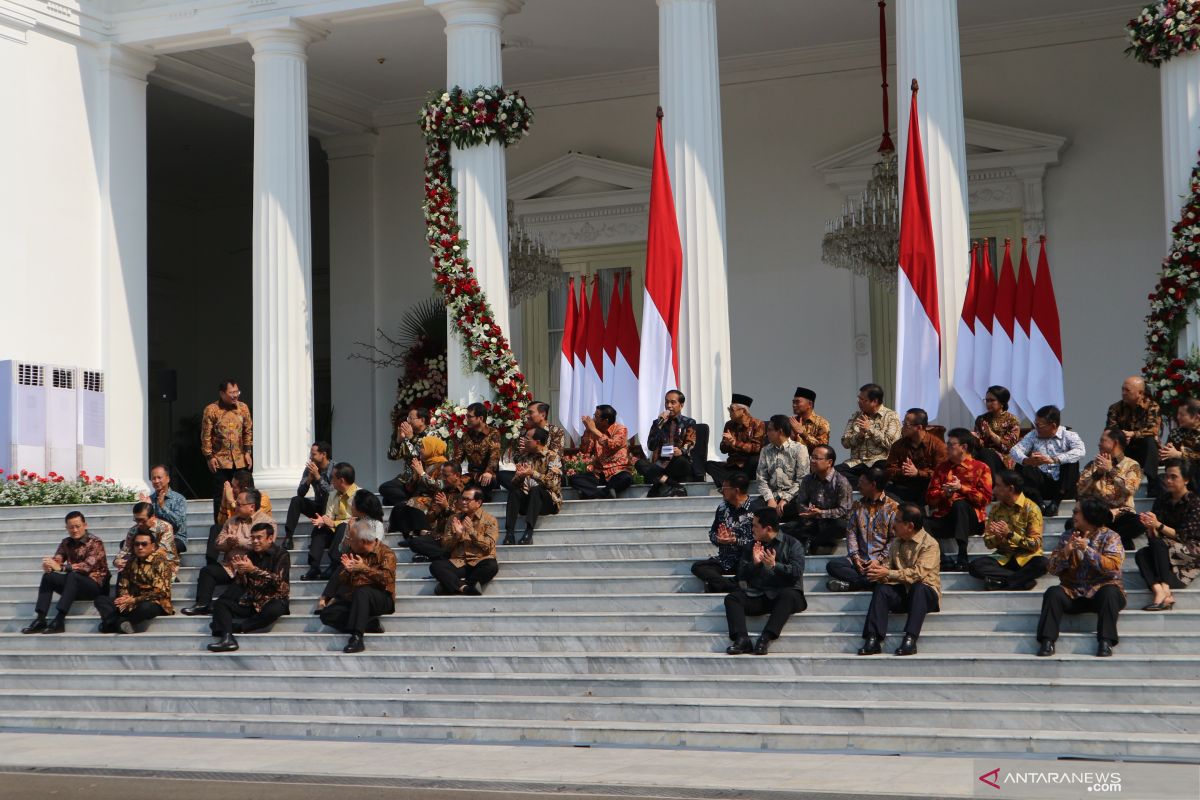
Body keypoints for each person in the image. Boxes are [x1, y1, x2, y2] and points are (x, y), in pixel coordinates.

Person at [1036, 498, 1125, 657]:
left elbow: (1113, 567)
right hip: (1074, 593)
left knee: (1110, 592)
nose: (1073, 515)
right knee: (1053, 593)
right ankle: (1047, 641)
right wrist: (1065, 552)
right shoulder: (1067, 536)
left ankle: (1106, 641)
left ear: (1089, 515)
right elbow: (1051, 569)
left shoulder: (1111, 537)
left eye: (1076, 512)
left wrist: (1088, 550)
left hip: (1100, 593)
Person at [856, 503, 940, 657]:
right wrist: (877, 571)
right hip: (904, 593)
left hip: (925, 595)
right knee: (881, 589)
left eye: (897, 521)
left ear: (909, 526)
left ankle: (910, 638)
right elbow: (888, 566)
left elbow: (918, 574)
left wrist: (887, 572)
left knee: (919, 587)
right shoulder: (896, 542)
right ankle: (873, 638)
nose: (893, 524)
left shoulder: (930, 544)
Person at [723, 507, 807, 656]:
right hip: (760, 594)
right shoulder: (752, 546)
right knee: (732, 599)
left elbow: (796, 572)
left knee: (788, 595)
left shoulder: (793, 544)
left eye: (755, 526)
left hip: (785, 595)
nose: (752, 529)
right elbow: (741, 574)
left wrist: (775, 566)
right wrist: (754, 564)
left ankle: (765, 638)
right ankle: (742, 639)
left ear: (767, 528)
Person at [181, 489, 274, 616]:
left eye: (239, 504)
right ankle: (202, 604)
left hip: (250, 567)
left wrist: (239, 541)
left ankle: (221, 606)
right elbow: (218, 543)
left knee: (241, 582)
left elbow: (265, 545)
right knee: (207, 571)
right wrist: (228, 543)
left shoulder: (266, 522)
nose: (235, 506)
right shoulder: (231, 520)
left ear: (251, 506)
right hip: (230, 565)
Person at [207, 521, 290, 652]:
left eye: (259, 538)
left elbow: (279, 583)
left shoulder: (281, 554)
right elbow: (244, 584)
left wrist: (252, 569)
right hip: (252, 600)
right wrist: (241, 573)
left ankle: (237, 628)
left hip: (272, 599)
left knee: (275, 609)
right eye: (253, 538)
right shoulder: (250, 554)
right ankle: (228, 638)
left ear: (270, 538)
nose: (255, 541)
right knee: (220, 604)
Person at [317, 518, 397, 653]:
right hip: (356, 599)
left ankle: (357, 637)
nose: (349, 542)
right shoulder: (353, 553)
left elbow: (386, 579)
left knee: (363, 591)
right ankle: (369, 623)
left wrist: (364, 568)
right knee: (327, 614)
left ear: (363, 541)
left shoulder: (386, 553)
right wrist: (347, 572)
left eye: (352, 539)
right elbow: (342, 581)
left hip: (381, 598)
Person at [21, 511, 109, 634]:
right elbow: (58, 559)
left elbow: (86, 566)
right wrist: (49, 565)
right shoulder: (66, 542)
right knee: (48, 577)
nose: (74, 530)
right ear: (66, 528)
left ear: (85, 525)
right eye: (71, 527)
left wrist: (61, 568)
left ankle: (59, 619)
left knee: (73, 575)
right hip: (73, 586)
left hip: (95, 586)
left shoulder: (95, 542)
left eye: (77, 526)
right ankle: (41, 619)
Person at [925, 428, 993, 572]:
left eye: (951, 444)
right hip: (946, 518)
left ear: (964, 447)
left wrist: (961, 488)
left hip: (972, 520)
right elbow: (930, 498)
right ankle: (942, 557)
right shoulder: (942, 468)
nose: (946, 448)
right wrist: (945, 493)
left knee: (960, 504)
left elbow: (985, 499)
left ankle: (962, 554)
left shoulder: (981, 468)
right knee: (919, 520)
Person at [968, 470, 1047, 591]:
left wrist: (1009, 534)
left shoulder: (1031, 508)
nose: (994, 490)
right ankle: (1022, 581)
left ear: (1010, 488)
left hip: (1026, 558)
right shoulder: (996, 509)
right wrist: (998, 538)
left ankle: (1002, 583)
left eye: (998, 486)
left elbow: (1035, 544)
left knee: (1043, 563)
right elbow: (988, 542)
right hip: (1004, 558)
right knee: (975, 566)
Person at [1137, 459, 1200, 610]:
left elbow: (1184, 536)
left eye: (1173, 477)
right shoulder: (1162, 500)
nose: (1168, 480)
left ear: (1186, 480)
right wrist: (1150, 527)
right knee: (1142, 554)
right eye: (1166, 476)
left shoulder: (1195, 502)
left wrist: (1158, 525)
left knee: (1159, 544)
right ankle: (1161, 591)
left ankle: (1164, 588)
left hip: (1191, 551)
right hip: (1164, 551)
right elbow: (1155, 536)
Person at [826, 467, 898, 592]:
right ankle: (868, 582)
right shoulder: (857, 505)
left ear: (873, 485)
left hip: (883, 561)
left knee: (888, 572)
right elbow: (851, 533)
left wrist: (879, 560)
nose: (858, 485)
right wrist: (855, 557)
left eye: (861, 482)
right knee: (833, 565)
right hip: (861, 559)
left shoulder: (893, 508)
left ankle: (854, 585)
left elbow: (894, 539)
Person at [1009, 405, 1085, 517]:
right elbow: (1015, 450)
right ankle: (1040, 503)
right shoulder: (1033, 435)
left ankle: (1056, 503)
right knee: (1022, 464)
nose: (1036, 427)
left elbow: (1080, 451)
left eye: (1039, 425)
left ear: (1053, 425)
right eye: (1035, 423)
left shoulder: (1068, 435)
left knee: (1072, 461)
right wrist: (1028, 460)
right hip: (1040, 485)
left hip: (1062, 486)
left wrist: (1054, 459)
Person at [1075, 428, 1145, 549]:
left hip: (1120, 515)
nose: (1099, 444)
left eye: (1103, 440)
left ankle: (1106, 540)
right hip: (1097, 515)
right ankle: (1118, 541)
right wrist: (1097, 474)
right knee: (1071, 524)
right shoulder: (1092, 465)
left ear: (1115, 443)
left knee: (1138, 523)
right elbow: (1080, 490)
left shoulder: (1132, 465)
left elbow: (1130, 489)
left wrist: (1111, 470)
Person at [94, 529, 174, 634]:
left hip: (155, 602)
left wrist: (134, 600)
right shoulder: (131, 561)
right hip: (132, 602)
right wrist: (124, 598)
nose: (140, 547)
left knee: (147, 607)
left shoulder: (160, 562)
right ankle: (120, 624)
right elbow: (123, 585)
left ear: (153, 546)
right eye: (137, 544)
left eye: (144, 544)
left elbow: (159, 592)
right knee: (101, 600)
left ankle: (112, 624)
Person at [691, 474, 755, 593]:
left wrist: (736, 540)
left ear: (736, 491)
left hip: (747, 559)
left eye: (724, 489)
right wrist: (718, 539)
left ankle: (717, 586)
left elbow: (760, 541)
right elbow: (712, 533)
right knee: (698, 567)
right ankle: (731, 587)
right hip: (725, 559)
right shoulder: (722, 508)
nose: (721, 492)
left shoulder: (755, 509)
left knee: (754, 569)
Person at [430, 487, 500, 595]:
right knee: (436, 566)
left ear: (478, 502)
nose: (463, 502)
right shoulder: (453, 518)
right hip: (459, 562)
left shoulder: (490, 520)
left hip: (479, 561)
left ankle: (453, 586)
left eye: (467, 499)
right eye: (462, 499)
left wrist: (472, 532)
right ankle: (466, 588)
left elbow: (489, 546)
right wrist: (457, 536)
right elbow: (445, 547)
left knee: (492, 566)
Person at [200, 378, 253, 522]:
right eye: (232, 393)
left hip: (240, 460)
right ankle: (219, 527)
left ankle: (248, 522)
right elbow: (206, 435)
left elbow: (247, 431)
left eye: (237, 392)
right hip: (220, 461)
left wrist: (248, 452)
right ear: (222, 394)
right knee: (221, 494)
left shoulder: (243, 408)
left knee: (246, 492)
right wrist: (209, 457)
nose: (235, 395)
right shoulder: (212, 409)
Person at [387, 419, 450, 538]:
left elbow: (440, 486)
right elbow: (410, 487)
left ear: (432, 448)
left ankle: (423, 532)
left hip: (435, 499)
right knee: (399, 507)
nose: (420, 450)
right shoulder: (424, 464)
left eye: (423, 447)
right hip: (420, 497)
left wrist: (422, 474)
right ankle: (407, 535)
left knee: (413, 503)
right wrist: (415, 475)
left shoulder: (444, 466)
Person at [790, 444, 853, 554]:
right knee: (785, 529)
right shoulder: (808, 479)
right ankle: (810, 540)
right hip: (813, 521)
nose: (813, 461)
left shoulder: (841, 482)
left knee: (840, 526)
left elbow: (844, 511)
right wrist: (808, 511)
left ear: (829, 462)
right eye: (812, 457)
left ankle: (812, 542)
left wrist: (821, 513)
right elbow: (801, 501)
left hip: (832, 522)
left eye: (817, 458)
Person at [504, 427, 562, 545]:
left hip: (548, 502)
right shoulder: (525, 456)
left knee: (536, 490)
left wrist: (532, 473)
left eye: (527, 439)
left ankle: (528, 532)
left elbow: (552, 484)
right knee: (514, 492)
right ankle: (510, 533)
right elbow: (514, 484)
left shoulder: (552, 457)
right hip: (529, 500)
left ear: (538, 442)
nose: (524, 441)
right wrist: (519, 476)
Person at [1106, 376, 1161, 497]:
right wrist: (1122, 435)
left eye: (1127, 390)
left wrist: (1133, 434)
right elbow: (1110, 429)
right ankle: (1113, 483)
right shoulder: (1115, 408)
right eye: (1122, 389)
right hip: (1125, 447)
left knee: (1150, 440)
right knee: (1111, 442)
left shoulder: (1152, 406)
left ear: (1140, 393)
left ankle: (1152, 482)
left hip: (1143, 448)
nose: (1123, 393)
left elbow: (1152, 429)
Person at [303, 462, 359, 581]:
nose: (331, 481)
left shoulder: (359, 495)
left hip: (351, 532)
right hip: (334, 530)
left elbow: (356, 519)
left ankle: (334, 564)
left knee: (344, 526)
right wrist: (322, 520)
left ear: (341, 480)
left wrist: (334, 523)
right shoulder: (333, 494)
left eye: (333, 478)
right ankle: (314, 566)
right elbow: (329, 515)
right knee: (319, 528)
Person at [635, 389, 697, 495]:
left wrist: (681, 451)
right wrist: (659, 426)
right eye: (667, 402)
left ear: (681, 405)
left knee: (680, 461)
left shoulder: (689, 422)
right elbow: (651, 445)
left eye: (673, 402)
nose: (669, 406)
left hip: (678, 461)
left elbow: (690, 442)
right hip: (661, 463)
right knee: (639, 463)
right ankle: (673, 484)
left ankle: (658, 484)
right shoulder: (657, 423)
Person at [836, 383, 901, 481]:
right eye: (859, 398)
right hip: (856, 463)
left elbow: (893, 444)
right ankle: (863, 485)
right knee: (834, 473)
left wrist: (870, 430)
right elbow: (845, 442)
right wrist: (859, 435)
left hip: (878, 462)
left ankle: (866, 485)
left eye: (863, 400)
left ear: (874, 401)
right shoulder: (856, 416)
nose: (859, 402)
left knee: (880, 472)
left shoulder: (891, 416)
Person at [379, 406, 442, 507]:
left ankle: (409, 505)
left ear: (422, 420)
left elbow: (424, 454)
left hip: (424, 478)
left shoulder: (433, 434)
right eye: (407, 418)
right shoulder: (407, 434)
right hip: (406, 479)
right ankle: (407, 504)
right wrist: (398, 441)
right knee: (385, 491)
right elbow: (392, 456)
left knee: (388, 498)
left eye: (410, 419)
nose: (407, 421)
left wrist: (412, 438)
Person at [883, 408, 947, 504]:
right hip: (903, 486)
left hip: (926, 488)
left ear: (919, 427)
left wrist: (917, 473)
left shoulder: (938, 446)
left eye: (906, 424)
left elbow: (941, 474)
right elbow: (889, 469)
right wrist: (902, 471)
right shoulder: (898, 445)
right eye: (903, 423)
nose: (902, 427)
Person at [207, 470, 272, 564]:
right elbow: (221, 521)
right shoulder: (232, 496)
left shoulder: (262, 498)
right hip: (234, 531)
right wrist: (224, 500)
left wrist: (232, 502)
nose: (232, 490)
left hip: (252, 532)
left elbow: (250, 516)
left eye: (234, 487)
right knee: (216, 528)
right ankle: (210, 563)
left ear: (244, 489)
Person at [569, 404, 634, 499]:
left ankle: (594, 494)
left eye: (596, 416)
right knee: (574, 479)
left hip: (617, 472)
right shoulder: (592, 430)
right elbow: (585, 451)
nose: (593, 419)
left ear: (605, 421)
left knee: (626, 478)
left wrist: (594, 430)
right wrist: (587, 431)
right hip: (599, 474)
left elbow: (613, 445)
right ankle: (603, 494)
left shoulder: (620, 429)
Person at [409, 463, 469, 563]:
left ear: (457, 475)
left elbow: (463, 517)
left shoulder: (465, 494)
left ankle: (435, 555)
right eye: (442, 475)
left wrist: (446, 507)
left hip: (455, 537)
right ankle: (440, 555)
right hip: (439, 536)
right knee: (414, 543)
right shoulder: (441, 492)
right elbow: (429, 519)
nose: (443, 479)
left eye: (446, 476)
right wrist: (436, 512)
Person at [500, 401, 566, 492]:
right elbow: (516, 458)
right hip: (525, 474)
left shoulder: (556, 431)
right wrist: (523, 452)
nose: (527, 416)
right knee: (502, 475)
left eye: (530, 413)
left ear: (542, 415)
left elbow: (557, 455)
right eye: (527, 413)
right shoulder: (524, 432)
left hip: (547, 474)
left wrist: (536, 448)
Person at [755, 415, 809, 521]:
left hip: (792, 496)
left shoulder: (799, 449)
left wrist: (785, 499)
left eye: (770, 430)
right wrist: (770, 499)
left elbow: (802, 479)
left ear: (780, 431)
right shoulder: (765, 450)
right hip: (773, 495)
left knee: (794, 508)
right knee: (753, 507)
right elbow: (761, 478)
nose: (767, 433)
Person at [705, 394, 765, 489]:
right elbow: (723, 449)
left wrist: (735, 443)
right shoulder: (729, 425)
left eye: (732, 410)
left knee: (755, 460)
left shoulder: (757, 424)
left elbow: (756, 448)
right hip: (732, 464)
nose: (729, 412)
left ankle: (729, 483)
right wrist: (727, 443)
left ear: (743, 411)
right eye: (729, 409)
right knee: (709, 464)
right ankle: (728, 485)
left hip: (747, 464)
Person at [284, 441, 333, 551]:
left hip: (332, 509)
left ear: (323, 454)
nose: (311, 457)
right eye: (311, 454)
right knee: (296, 500)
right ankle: (288, 537)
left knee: (327, 498)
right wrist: (309, 479)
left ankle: (322, 539)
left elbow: (332, 493)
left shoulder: (334, 468)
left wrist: (318, 477)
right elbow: (300, 493)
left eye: (314, 454)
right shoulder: (309, 469)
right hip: (317, 506)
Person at [115, 501, 179, 580]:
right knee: (123, 570)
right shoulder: (133, 530)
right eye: (137, 520)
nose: (139, 524)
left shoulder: (165, 527)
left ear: (152, 517)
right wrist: (117, 560)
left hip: (161, 562)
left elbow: (162, 551)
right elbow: (125, 549)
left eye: (143, 520)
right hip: (138, 562)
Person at [973, 385, 1021, 477]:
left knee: (986, 452)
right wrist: (974, 438)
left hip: (1003, 459)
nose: (988, 403)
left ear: (1002, 402)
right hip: (983, 455)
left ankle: (992, 485)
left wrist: (991, 434)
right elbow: (980, 444)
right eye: (986, 400)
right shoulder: (981, 419)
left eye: (992, 400)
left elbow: (1008, 447)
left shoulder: (1012, 420)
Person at [456, 402, 501, 501]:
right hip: (472, 474)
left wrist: (489, 471)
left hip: (488, 474)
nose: (466, 419)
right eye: (466, 416)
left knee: (484, 481)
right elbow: (458, 457)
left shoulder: (493, 433)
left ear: (480, 418)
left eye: (469, 416)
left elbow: (495, 455)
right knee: (455, 483)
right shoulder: (466, 435)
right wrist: (452, 472)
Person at [144, 464, 188, 553]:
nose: (156, 481)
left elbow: (178, 522)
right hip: (154, 538)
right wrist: (144, 508)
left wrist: (163, 506)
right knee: (129, 543)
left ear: (168, 479)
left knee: (164, 545)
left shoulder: (179, 499)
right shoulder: (149, 499)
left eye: (159, 477)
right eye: (153, 478)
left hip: (175, 537)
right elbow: (144, 524)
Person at [1159, 397, 1200, 477]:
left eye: (1182, 415)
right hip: (1179, 475)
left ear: (1196, 417)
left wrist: (1180, 455)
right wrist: (1163, 453)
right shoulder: (1175, 433)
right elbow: (1168, 458)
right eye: (1178, 414)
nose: (1178, 417)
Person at [789, 386, 830, 452]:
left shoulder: (822, 423)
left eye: (797, 402)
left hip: (812, 461)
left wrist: (803, 433)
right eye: (793, 402)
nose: (794, 405)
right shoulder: (791, 421)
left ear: (810, 404)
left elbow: (822, 450)